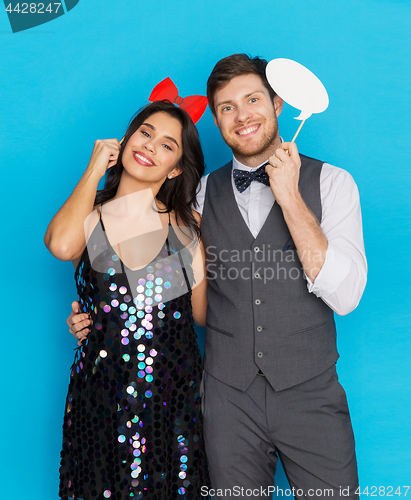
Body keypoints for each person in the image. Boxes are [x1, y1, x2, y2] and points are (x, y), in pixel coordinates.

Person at [68, 54, 367, 499]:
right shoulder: (200, 195)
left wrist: (290, 199)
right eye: (226, 107)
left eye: (252, 100)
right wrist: (106, 315)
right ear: (217, 119)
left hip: (310, 395)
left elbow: (345, 297)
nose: (242, 115)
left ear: (278, 103)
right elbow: (160, 273)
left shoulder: (333, 183)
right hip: (226, 400)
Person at [45, 100, 210, 500]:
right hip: (98, 394)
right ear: (127, 138)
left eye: (168, 145)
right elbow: (62, 245)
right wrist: (94, 169)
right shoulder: (91, 214)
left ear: (175, 169)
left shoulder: (185, 226)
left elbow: (202, 315)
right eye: (146, 133)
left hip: (168, 401)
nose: (151, 146)